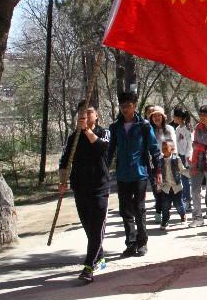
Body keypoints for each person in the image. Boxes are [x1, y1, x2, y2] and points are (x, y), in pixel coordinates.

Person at [59, 101, 110, 283]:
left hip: (99, 187)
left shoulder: (104, 132)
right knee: (89, 227)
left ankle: (88, 267)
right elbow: (64, 161)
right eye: (82, 113)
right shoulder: (73, 138)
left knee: (97, 227)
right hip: (80, 187)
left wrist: (87, 131)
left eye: (89, 112)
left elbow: (102, 149)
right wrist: (62, 180)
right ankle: (99, 254)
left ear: (96, 115)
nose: (85, 116)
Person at [107, 92, 162, 257]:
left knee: (139, 209)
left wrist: (158, 170)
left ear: (135, 106)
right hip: (122, 175)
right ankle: (130, 243)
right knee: (125, 210)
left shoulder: (144, 126)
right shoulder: (115, 127)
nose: (125, 109)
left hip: (140, 173)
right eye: (122, 106)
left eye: (128, 106)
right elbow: (110, 151)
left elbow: (154, 149)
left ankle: (142, 242)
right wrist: (104, 168)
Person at [148, 106, 176, 224]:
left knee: (167, 189)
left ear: (163, 117)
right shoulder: (150, 130)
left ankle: (165, 213)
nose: (156, 118)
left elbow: (173, 145)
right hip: (154, 163)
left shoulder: (169, 128)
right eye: (154, 116)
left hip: (167, 161)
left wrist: (173, 160)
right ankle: (159, 210)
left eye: (158, 115)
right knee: (157, 188)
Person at [157, 140, 186, 230]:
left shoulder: (176, 159)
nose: (164, 149)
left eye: (166, 148)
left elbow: (182, 170)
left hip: (177, 187)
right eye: (163, 148)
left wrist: (190, 173)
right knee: (165, 206)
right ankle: (165, 221)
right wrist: (159, 186)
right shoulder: (160, 160)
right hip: (166, 188)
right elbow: (159, 174)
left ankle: (183, 215)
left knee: (178, 204)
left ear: (172, 149)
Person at [175, 110, 193, 212]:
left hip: (187, 157)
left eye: (175, 116)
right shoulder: (178, 128)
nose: (173, 118)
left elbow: (190, 144)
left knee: (186, 179)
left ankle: (187, 200)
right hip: (179, 156)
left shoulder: (187, 128)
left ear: (181, 118)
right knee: (182, 179)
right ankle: (185, 199)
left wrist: (188, 157)